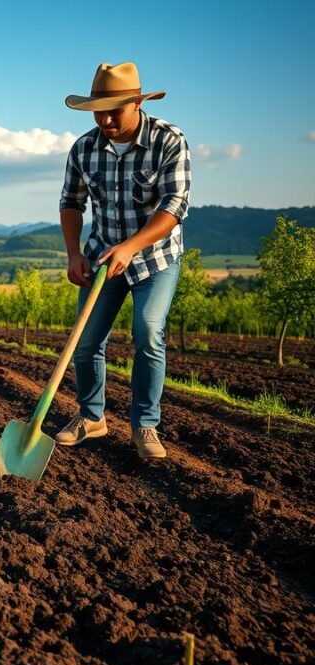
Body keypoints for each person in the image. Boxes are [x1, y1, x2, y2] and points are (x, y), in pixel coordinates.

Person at [56, 62, 191, 459]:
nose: (106, 118)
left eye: (115, 109)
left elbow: (175, 205)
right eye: (99, 110)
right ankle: (91, 417)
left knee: (148, 332)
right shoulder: (84, 148)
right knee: (85, 341)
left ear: (137, 102)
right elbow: (70, 203)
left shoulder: (169, 140)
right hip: (102, 256)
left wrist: (132, 246)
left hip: (155, 259)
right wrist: (74, 253)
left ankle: (145, 426)